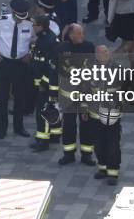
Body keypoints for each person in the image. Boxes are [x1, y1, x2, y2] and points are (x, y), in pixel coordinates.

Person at [0, 0, 34, 139]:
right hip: (4, 63)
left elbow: (36, 39)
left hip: (21, 64)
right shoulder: (1, 21)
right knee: (1, 98)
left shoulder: (30, 23)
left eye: (23, 16)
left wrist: (30, 53)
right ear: (13, 12)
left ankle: (19, 127)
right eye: (18, 16)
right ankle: (1, 129)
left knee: (20, 97)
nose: (21, 20)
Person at [55, 23, 96, 166]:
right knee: (69, 126)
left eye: (82, 33)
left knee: (87, 125)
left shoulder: (89, 47)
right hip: (68, 96)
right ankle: (68, 154)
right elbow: (57, 70)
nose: (81, 36)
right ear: (71, 35)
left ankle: (86, 155)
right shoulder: (62, 48)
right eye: (78, 34)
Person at [89, 45, 122, 185]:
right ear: (97, 56)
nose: (106, 54)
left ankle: (113, 172)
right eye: (102, 52)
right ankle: (102, 168)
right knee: (98, 144)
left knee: (112, 144)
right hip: (95, 115)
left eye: (107, 51)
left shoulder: (117, 69)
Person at [29, 15, 59, 152]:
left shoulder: (48, 41)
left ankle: (43, 141)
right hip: (43, 83)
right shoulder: (43, 38)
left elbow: (51, 67)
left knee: (43, 112)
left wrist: (43, 83)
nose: (33, 27)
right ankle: (53, 136)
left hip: (47, 85)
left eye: (34, 25)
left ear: (41, 26)